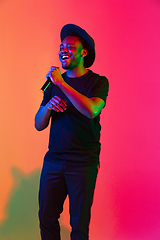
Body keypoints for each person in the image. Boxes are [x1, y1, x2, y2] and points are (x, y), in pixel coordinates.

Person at [35, 23, 109, 240]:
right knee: (46, 218)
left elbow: (92, 110)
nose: (62, 50)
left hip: (83, 162)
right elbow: (39, 124)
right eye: (61, 46)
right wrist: (48, 107)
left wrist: (62, 83)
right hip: (54, 160)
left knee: (78, 223)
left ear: (83, 52)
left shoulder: (97, 81)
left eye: (69, 46)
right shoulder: (51, 84)